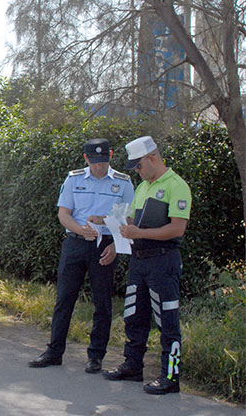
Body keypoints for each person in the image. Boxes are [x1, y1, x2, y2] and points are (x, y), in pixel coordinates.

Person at [29, 138, 134, 373]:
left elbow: (128, 221)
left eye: (104, 161)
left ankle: (96, 356)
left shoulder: (123, 183)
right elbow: (64, 214)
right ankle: (54, 351)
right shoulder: (74, 178)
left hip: (106, 246)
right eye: (95, 162)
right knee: (64, 299)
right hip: (76, 243)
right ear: (86, 159)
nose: (100, 167)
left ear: (111, 156)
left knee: (102, 303)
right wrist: (80, 230)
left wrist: (116, 246)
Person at [103, 136, 191, 395]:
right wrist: (116, 221)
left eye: (139, 166)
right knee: (134, 315)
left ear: (151, 157)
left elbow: (176, 228)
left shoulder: (177, 186)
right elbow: (132, 221)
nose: (137, 171)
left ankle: (170, 376)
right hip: (139, 262)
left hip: (164, 261)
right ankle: (132, 366)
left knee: (167, 320)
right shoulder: (142, 187)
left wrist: (138, 234)